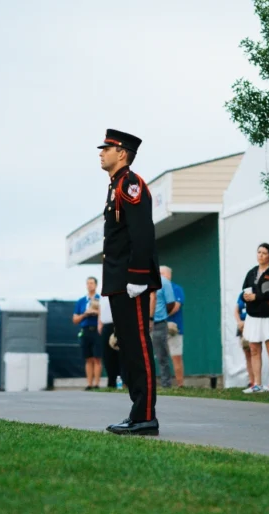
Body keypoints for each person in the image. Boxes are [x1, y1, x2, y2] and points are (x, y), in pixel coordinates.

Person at [98, 129, 161, 436]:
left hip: (129, 281)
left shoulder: (130, 184)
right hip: (117, 280)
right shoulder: (116, 185)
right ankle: (138, 414)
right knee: (128, 350)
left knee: (138, 348)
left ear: (121, 153)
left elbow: (142, 233)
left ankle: (145, 416)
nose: (101, 153)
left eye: (106, 148)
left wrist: (137, 276)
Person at [241, 243, 269, 394]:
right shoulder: (252, 272)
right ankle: (257, 384)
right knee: (254, 349)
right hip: (253, 315)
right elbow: (244, 289)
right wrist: (245, 296)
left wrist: (257, 296)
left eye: (264, 253)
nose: (260, 255)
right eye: (258, 252)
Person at [72, 277, 101, 390]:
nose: (90, 285)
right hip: (86, 330)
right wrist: (85, 314)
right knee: (88, 357)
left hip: (97, 330)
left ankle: (97, 384)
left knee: (97, 357)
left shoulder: (101, 299)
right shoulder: (81, 301)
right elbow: (75, 320)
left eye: (92, 283)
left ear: (96, 285)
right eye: (88, 283)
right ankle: (89, 383)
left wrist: (96, 312)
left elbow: (106, 314)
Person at [158, 266, 183, 387]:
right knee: (161, 357)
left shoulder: (176, 288)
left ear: (168, 275)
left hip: (174, 328)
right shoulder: (155, 288)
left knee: (175, 356)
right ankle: (166, 384)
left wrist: (160, 314)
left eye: (162, 273)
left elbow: (176, 306)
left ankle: (180, 384)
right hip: (159, 327)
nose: (159, 275)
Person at [98, 295, 123, 388]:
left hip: (117, 325)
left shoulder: (116, 291)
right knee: (107, 356)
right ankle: (111, 381)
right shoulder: (102, 295)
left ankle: (121, 382)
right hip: (106, 326)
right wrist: (99, 323)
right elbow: (101, 310)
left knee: (120, 355)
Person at [234, 292, 254, 387]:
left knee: (255, 352)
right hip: (242, 327)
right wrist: (239, 322)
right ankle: (251, 380)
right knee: (247, 354)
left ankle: (257, 380)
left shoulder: (256, 294)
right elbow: (236, 310)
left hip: (252, 325)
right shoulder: (242, 295)